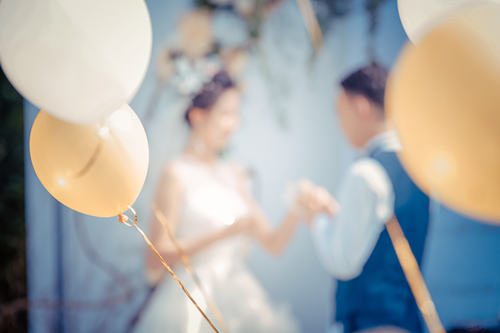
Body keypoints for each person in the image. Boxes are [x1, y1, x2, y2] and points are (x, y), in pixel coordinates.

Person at [134, 70, 327, 333]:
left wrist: (296, 209)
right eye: (225, 114)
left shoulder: (232, 173)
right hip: (192, 296)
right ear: (197, 116)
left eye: (236, 114)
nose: (234, 124)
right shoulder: (176, 173)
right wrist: (226, 233)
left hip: (238, 292)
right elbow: (155, 257)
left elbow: (274, 243)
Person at [306, 64, 431, 333]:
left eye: (340, 114)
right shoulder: (419, 168)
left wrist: (315, 218)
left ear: (361, 107)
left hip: (370, 322)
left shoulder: (365, 172)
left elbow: (343, 261)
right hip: (406, 320)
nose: (340, 126)